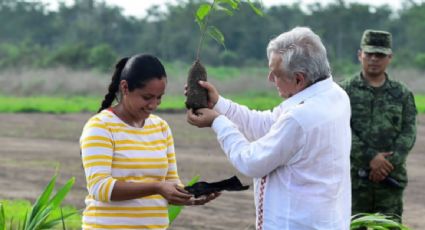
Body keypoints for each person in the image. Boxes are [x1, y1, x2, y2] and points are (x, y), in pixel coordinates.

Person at [186, 27, 352, 229]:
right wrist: (219, 104)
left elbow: (252, 161)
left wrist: (218, 122)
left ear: (299, 79)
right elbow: (267, 124)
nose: (270, 79)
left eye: (276, 74)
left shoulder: (299, 117)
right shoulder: (334, 94)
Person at [79, 53, 218, 229]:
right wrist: (157, 187)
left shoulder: (160, 127)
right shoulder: (100, 127)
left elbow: (171, 182)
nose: (153, 105)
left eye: (159, 97)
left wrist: (191, 196)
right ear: (125, 88)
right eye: (147, 97)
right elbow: (100, 188)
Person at [340, 30, 417, 223]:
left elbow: (408, 133)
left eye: (380, 55)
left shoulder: (402, 94)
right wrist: (370, 157)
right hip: (353, 180)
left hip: (390, 181)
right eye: (369, 54)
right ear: (360, 55)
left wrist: (386, 165)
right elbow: (340, 130)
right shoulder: (343, 92)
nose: (374, 59)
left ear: (389, 57)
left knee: (389, 227)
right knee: (352, 226)